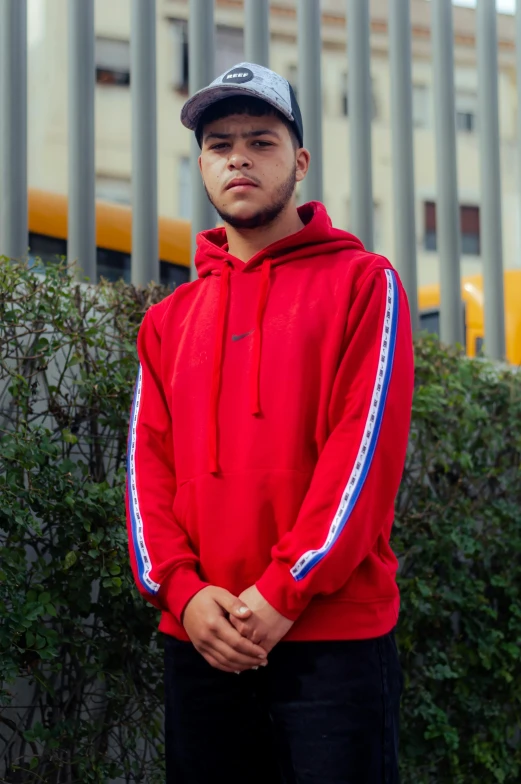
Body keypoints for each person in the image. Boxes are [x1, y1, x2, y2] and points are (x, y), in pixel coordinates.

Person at [125, 61, 414, 784]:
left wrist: (283, 592)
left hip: (331, 640)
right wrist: (183, 596)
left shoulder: (363, 283)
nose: (238, 158)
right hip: (200, 639)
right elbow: (144, 476)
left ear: (299, 161)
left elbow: (362, 458)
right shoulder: (167, 321)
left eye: (261, 140)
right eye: (220, 144)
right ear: (201, 164)